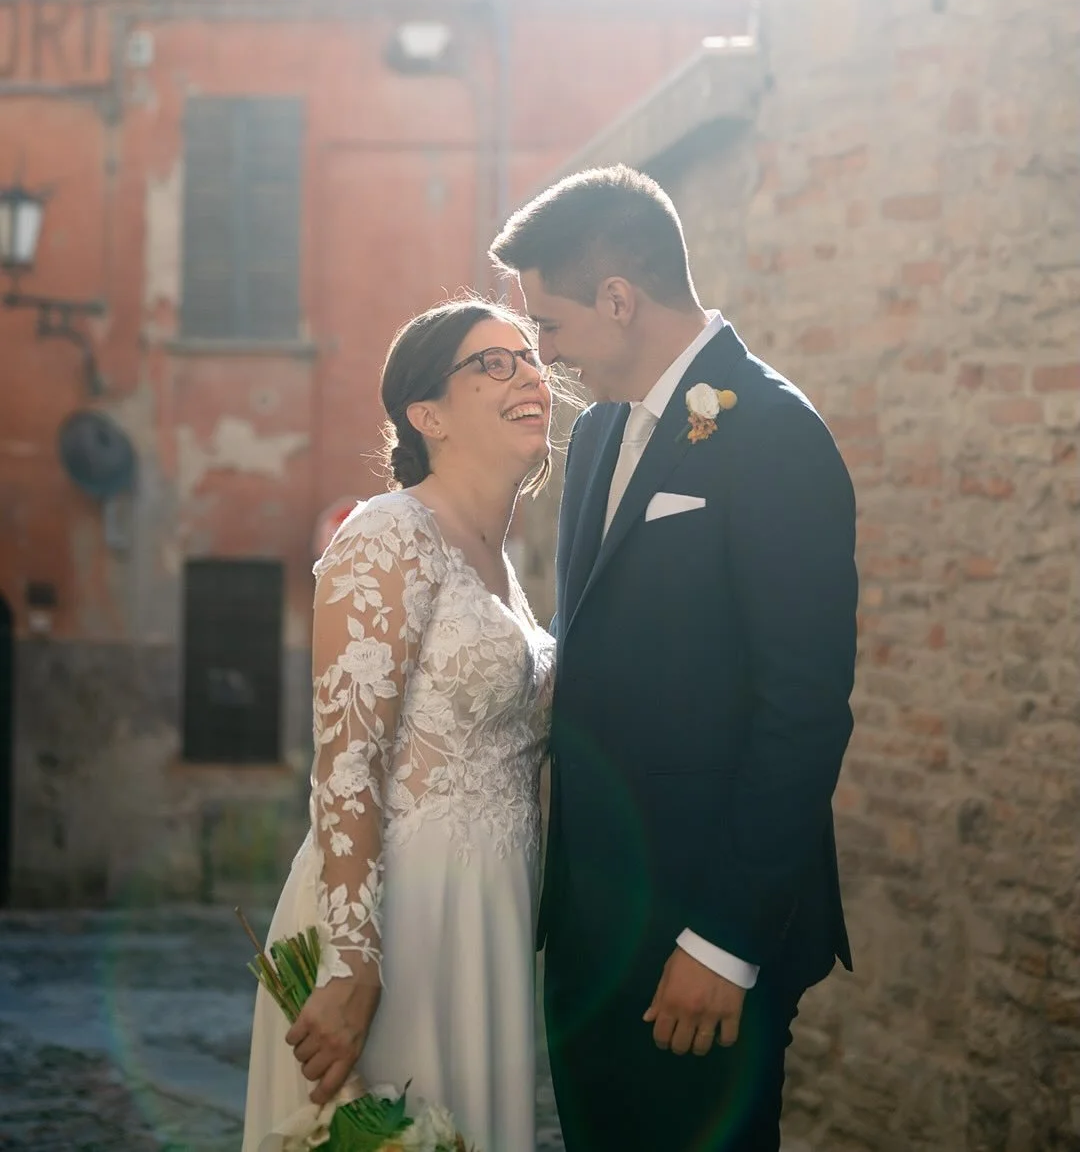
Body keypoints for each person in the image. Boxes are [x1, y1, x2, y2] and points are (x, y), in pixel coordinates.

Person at [490, 165, 858, 1152]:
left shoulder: (777, 435)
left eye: (552, 326)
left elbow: (804, 713)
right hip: (589, 940)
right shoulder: (602, 432)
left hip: (702, 943)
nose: (546, 357)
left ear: (619, 299)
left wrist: (722, 943)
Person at [242, 299, 555, 1152]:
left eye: (529, 356)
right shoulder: (388, 535)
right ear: (427, 414)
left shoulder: (503, 565)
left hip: (486, 924)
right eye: (492, 363)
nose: (529, 373)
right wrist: (351, 964)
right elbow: (347, 766)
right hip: (397, 924)